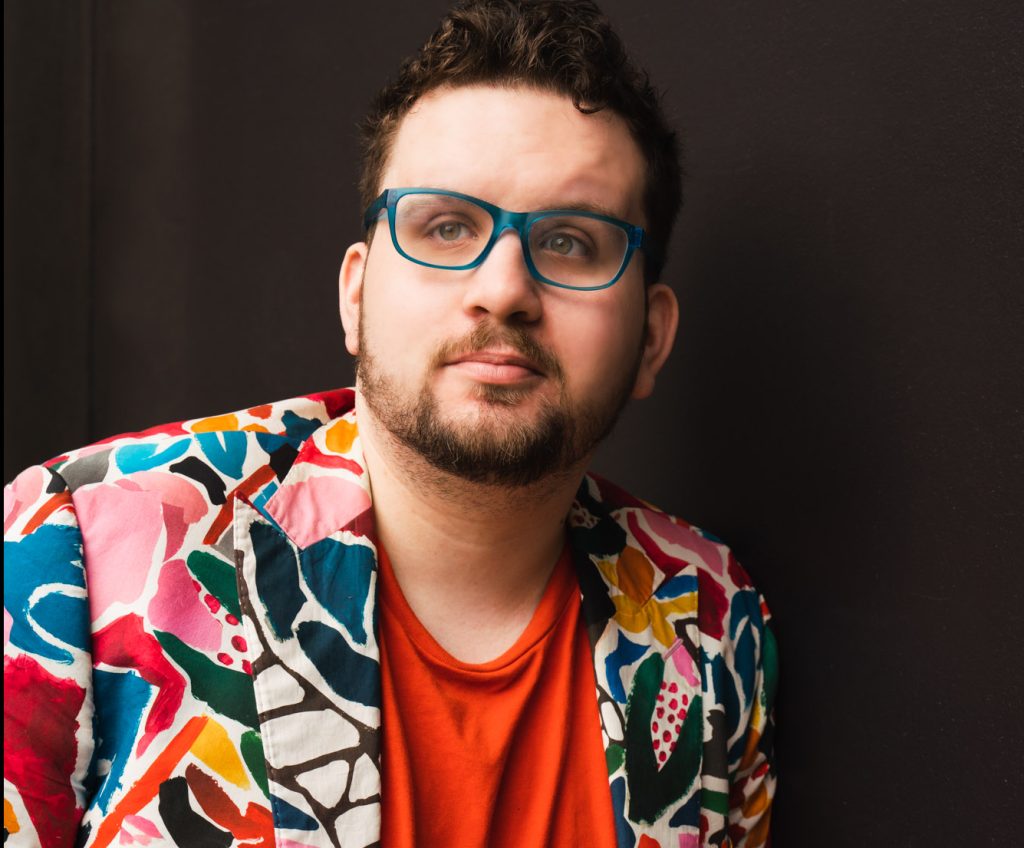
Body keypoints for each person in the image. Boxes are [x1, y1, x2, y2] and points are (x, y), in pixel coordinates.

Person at [3, 1, 777, 846]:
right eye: (446, 227)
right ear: (357, 294)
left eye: (571, 241)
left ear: (653, 337)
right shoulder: (79, 543)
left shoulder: (710, 616)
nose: (505, 289)